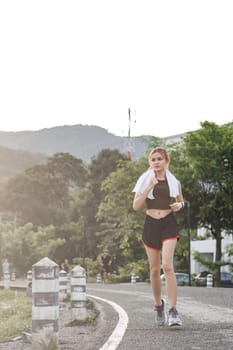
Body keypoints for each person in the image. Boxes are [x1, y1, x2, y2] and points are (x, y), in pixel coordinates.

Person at [132, 147, 184, 327]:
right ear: (150, 162)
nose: (156, 162)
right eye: (153, 159)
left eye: (159, 159)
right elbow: (136, 206)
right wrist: (149, 186)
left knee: (167, 266)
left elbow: (180, 201)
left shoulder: (174, 181)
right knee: (154, 270)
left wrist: (179, 206)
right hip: (151, 224)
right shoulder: (144, 179)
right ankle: (158, 305)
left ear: (166, 161)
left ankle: (173, 310)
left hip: (168, 223)